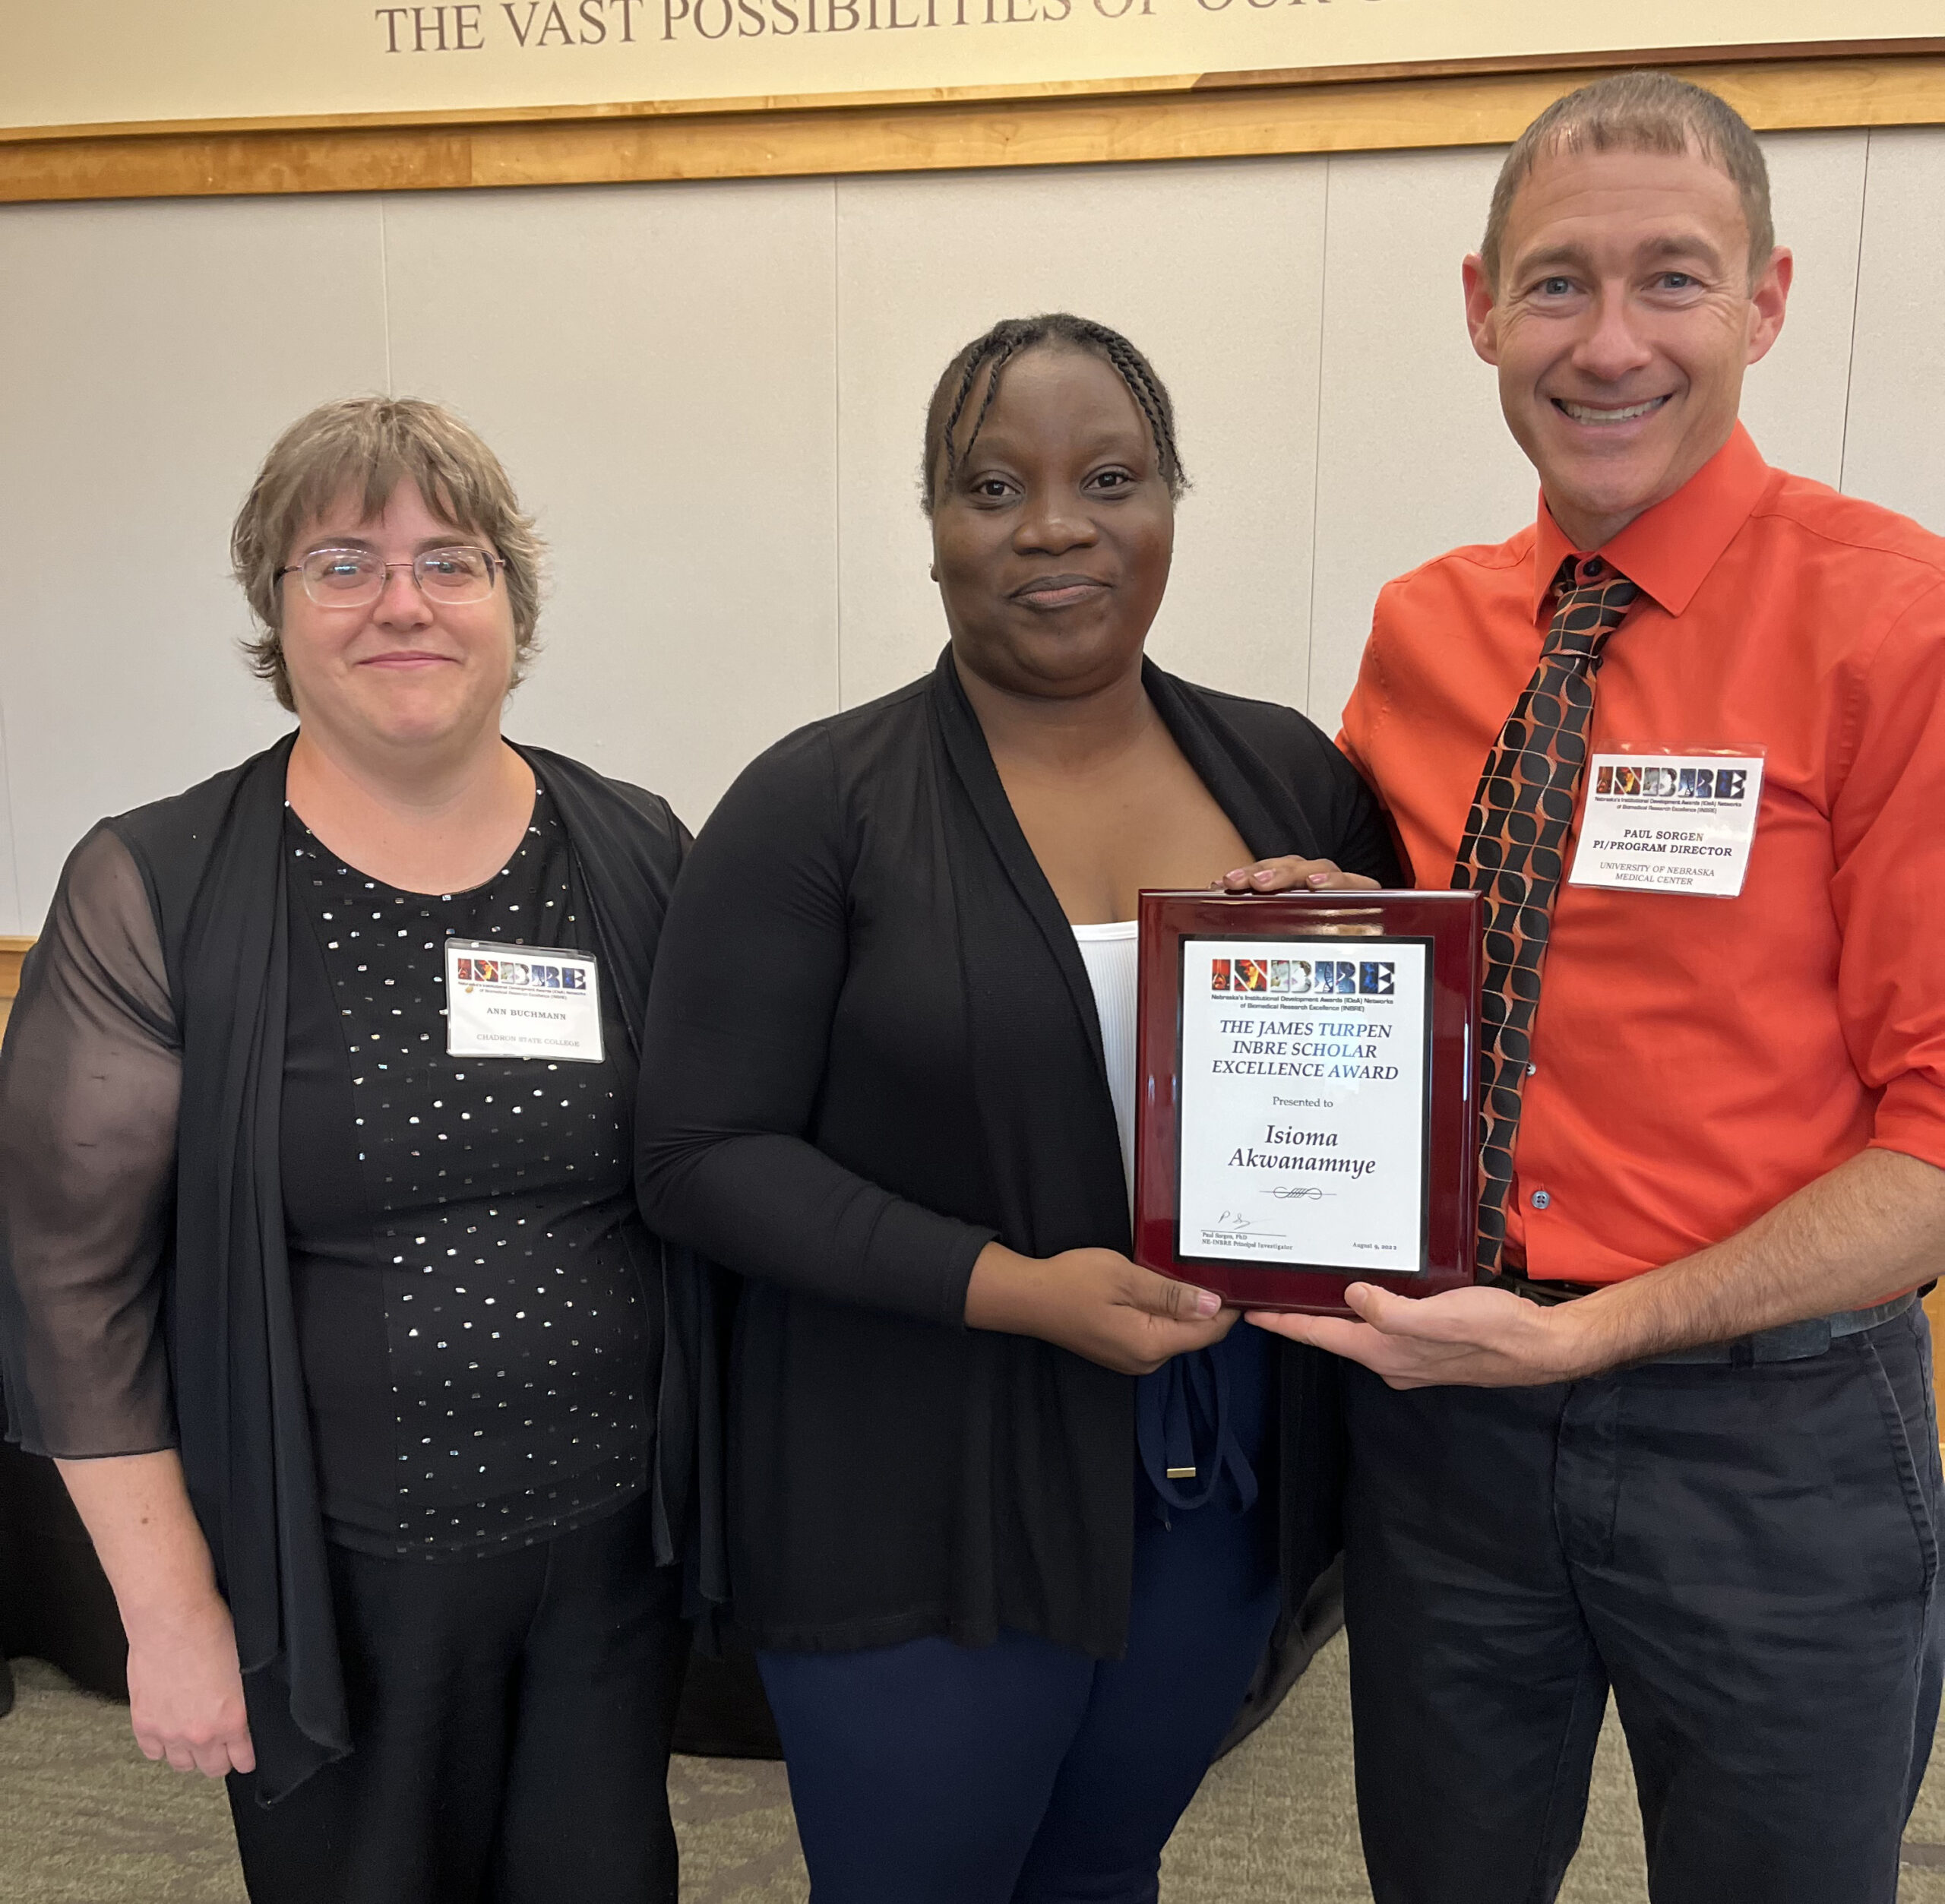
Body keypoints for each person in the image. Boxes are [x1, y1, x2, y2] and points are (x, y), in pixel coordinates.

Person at [1238, 72, 1945, 1904]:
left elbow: (1935, 1146)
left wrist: (1600, 1333)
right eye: (1554, 284)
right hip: (1446, 1421)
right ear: (1477, 307)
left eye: (1672, 282)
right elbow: (1417, 973)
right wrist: (1317, 925)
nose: (1607, 342)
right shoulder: (1427, 625)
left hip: (1766, 1434)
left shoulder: (1896, 624)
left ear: (1765, 303)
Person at [634, 312, 1398, 1902]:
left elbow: (1393, 1109)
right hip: (910, 1497)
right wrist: (1012, 1289)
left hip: (1202, 1483)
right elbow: (700, 1157)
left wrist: (1363, 943)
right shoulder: (816, 802)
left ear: (1168, 507)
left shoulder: (1289, 779)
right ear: (930, 532)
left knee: (1104, 1869)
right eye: (992, 485)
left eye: (1105, 476)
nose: (1053, 524)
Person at [0, 397, 700, 1903]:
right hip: (327, 1586)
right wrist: (171, 1608)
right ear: (276, 605)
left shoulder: (633, 847)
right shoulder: (155, 884)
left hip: (606, 1573)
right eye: (343, 560)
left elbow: (731, 1158)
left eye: (448, 560)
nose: (401, 600)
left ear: (510, 603)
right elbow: (71, 1284)